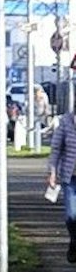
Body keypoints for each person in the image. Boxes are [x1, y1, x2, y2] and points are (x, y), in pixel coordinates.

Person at [49, 105, 76, 261]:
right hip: (70, 177)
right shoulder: (65, 122)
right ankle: (74, 241)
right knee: (71, 215)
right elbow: (56, 149)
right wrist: (52, 172)